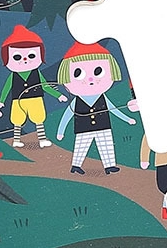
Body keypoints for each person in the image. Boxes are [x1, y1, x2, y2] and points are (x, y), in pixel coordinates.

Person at [55, 41, 136, 175]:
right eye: (78, 73)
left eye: (98, 71)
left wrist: (127, 119)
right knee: (81, 147)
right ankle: (76, 165)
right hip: (83, 128)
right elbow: (67, 114)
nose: (90, 78)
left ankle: (109, 166)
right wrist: (60, 131)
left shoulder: (102, 97)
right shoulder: (77, 101)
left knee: (106, 146)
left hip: (103, 126)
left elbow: (113, 109)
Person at [0, 25, 66, 148]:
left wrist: (58, 95)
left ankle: (42, 139)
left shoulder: (36, 73)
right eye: (17, 57)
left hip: (36, 98)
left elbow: (44, 86)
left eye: (31, 56)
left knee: (39, 118)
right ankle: (16, 140)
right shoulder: (13, 75)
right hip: (18, 100)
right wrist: (2, 101)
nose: (25, 60)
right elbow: (7, 88)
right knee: (17, 120)